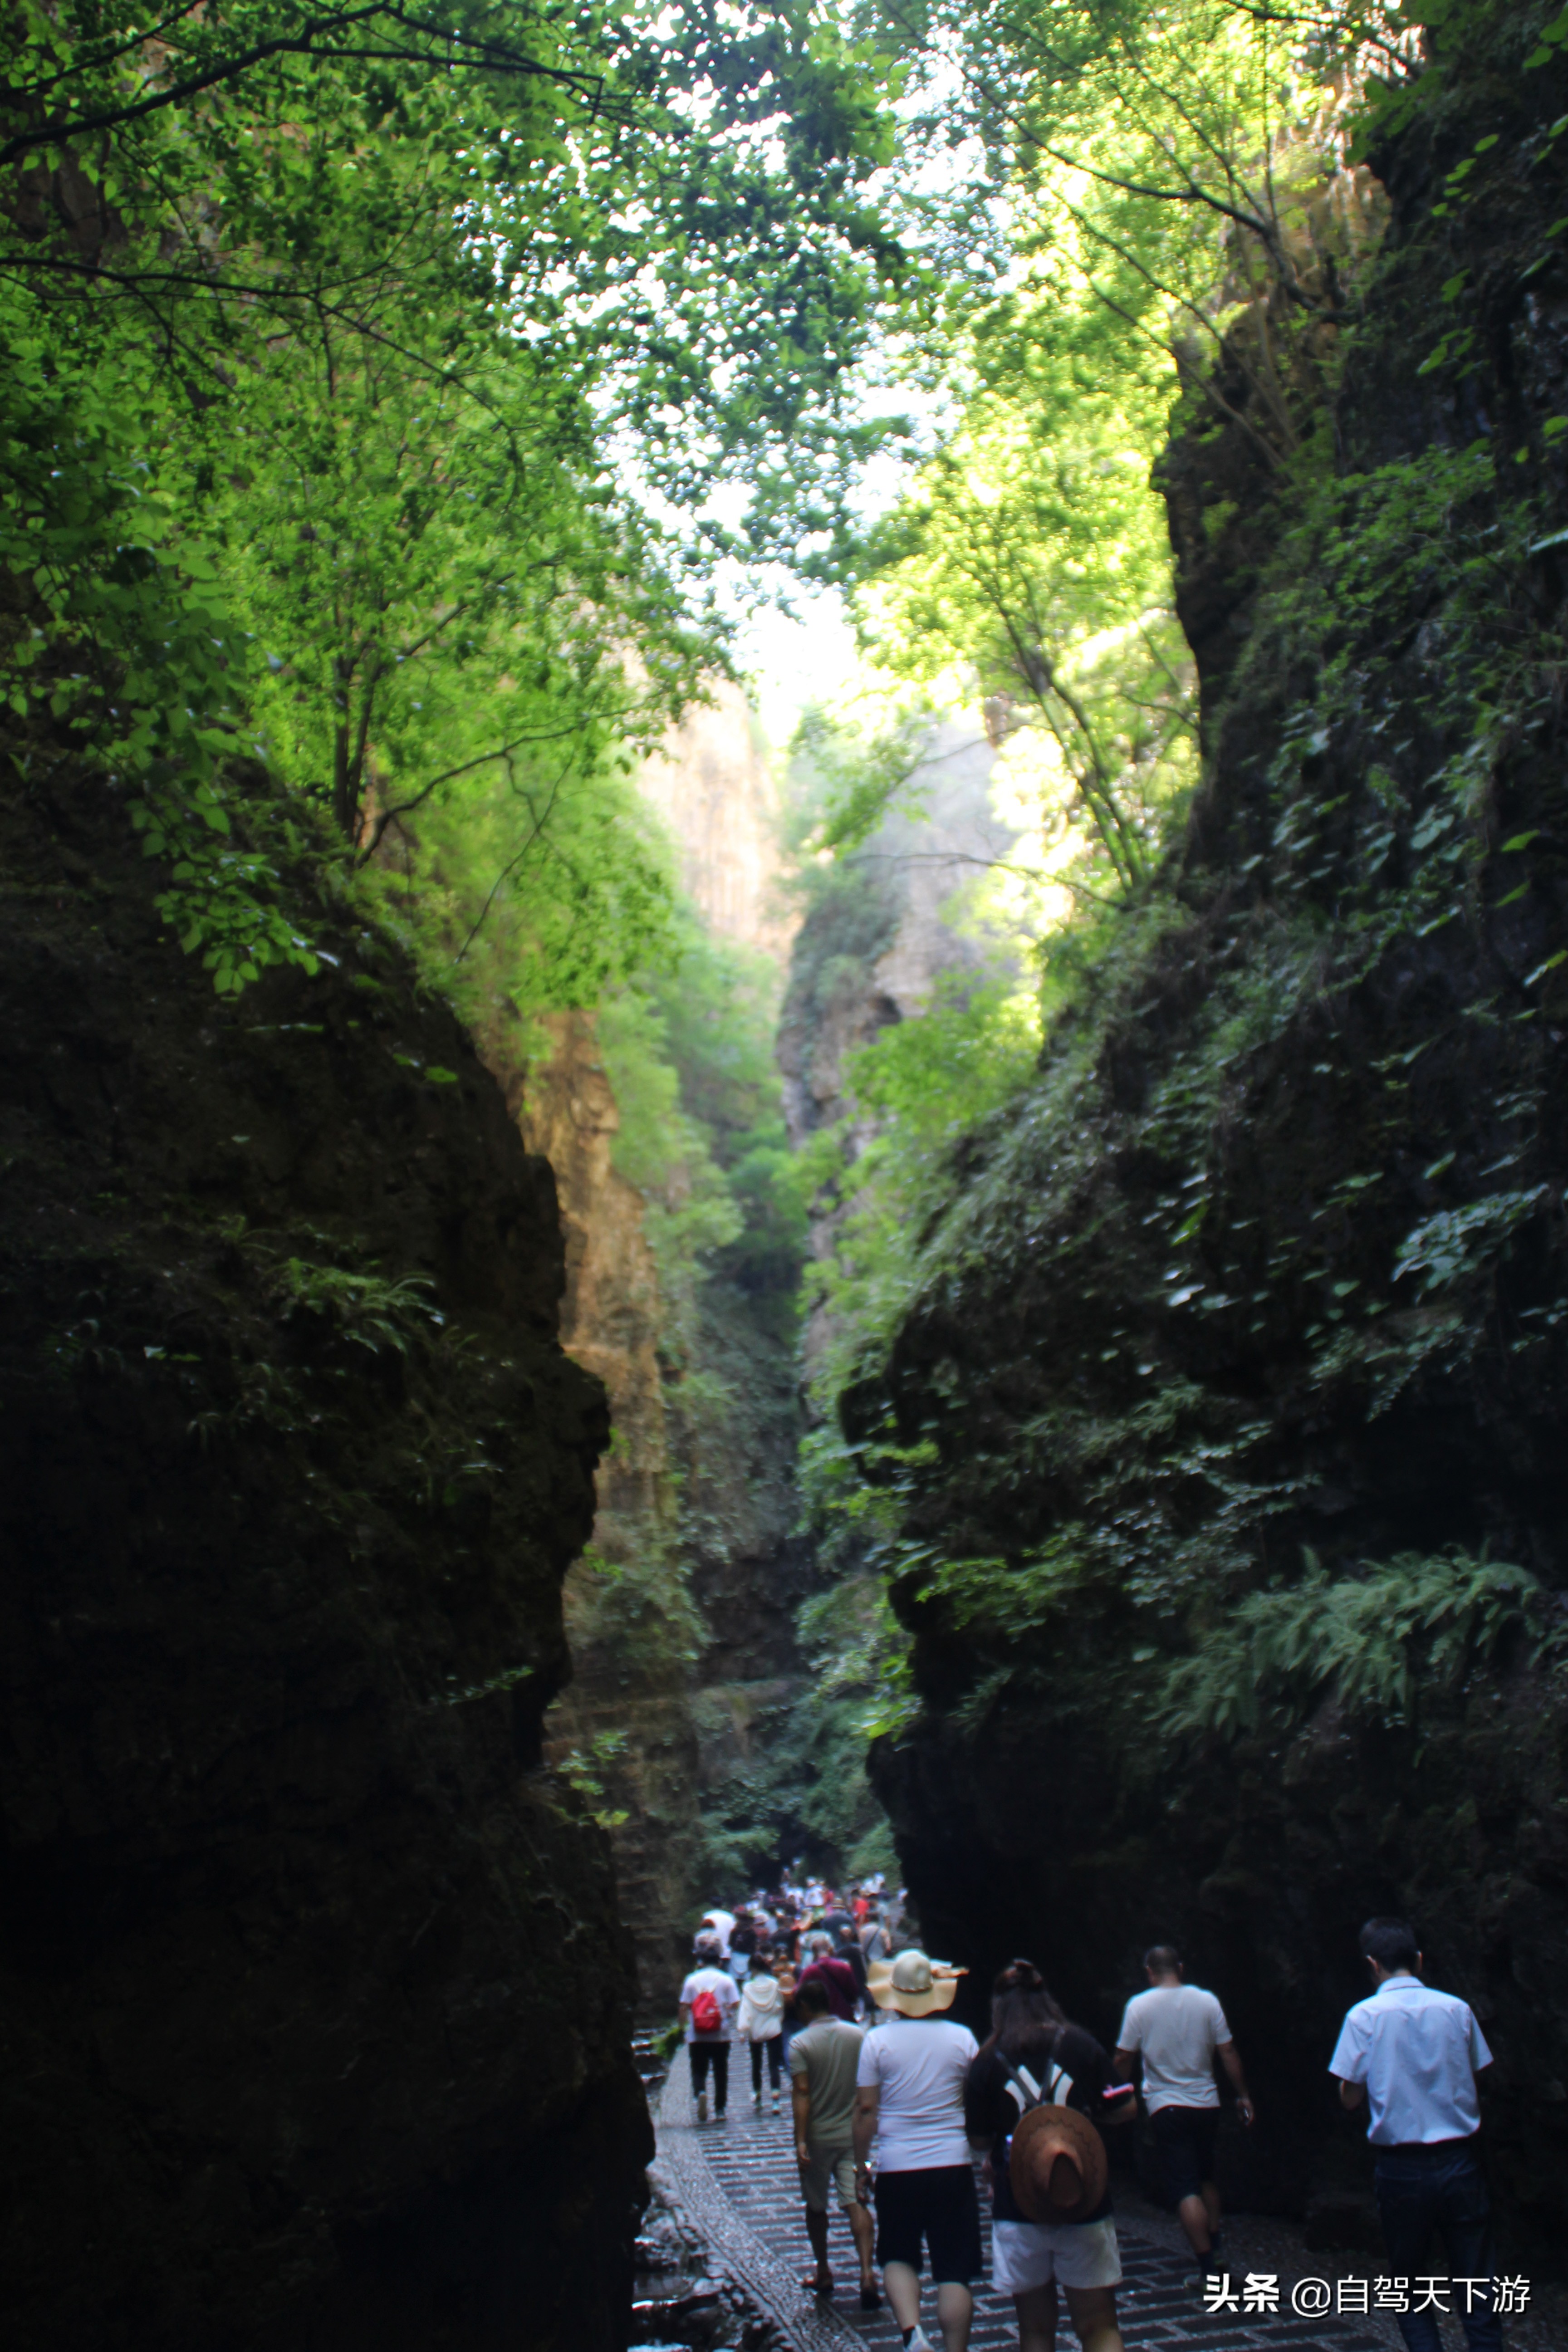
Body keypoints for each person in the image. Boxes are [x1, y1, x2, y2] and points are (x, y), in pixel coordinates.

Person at [1329, 1917, 1501, 2352]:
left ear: (1373, 1965)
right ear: (1419, 1960)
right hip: (1461, 2160)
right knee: (1478, 2281)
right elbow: (1480, 2072)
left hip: (1402, 2167)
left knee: (1408, 2284)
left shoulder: (1363, 2016)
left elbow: (1350, 2098)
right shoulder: (1457, 2009)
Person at [967, 1961, 1136, 2352]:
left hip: (1019, 2203)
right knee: (1099, 2326)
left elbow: (977, 2138)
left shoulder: (988, 2061)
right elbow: (1124, 2105)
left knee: (1036, 2331)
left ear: (998, 2007)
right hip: (1083, 2197)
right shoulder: (1079, 2045)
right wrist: (1088, 2118)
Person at [852, 1949, 980, 2352]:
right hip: (952, 2162)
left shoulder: (877, 2042)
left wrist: (862, 2165)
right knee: (954, 2270)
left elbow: (866, 2110)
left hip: (897, 2164)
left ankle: (913, 2335)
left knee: (897, 2255)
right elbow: (975, 2098)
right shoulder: (962, 2038)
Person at [1112, 1944, 1254, 2284]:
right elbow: (1228, 2051)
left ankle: (1208, 2270)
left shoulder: (1139, 2006)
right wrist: (1244, 2095)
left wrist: (1112, 2092)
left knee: (1185, 2188)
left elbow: (1123, 2058)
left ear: (1149, 1971)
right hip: (1207, 2104)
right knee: (1206, 2178)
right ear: (1181, 1967)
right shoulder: (1207, 2001)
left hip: (1167, 2106)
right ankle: (1217, 2251)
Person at [791, 1977, 879, 2307]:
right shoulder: (858, 2036)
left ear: (803, 2006)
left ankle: (824, 2270)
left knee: (816, 2207)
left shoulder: (800, 2044)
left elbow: (802, 2093)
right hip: (855, 2138)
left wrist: (800, 2140)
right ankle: (867, 2273)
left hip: (818, 2137)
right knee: (857, 2200)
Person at [680, 1933, 740, 2123]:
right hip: (720, 2034)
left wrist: (683, 2029)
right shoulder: (726, 1980)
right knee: (721, 2071)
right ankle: (720, 2109)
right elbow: (736, 2005)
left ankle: (701, 2093)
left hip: (697, 2035)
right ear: (719, 1960)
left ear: (700, 1960)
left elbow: (684, 2007)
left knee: (698, 2069)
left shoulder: (691, 1980)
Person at [739, 1958, 785, 2111]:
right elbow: (780, 2005)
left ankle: (758, 2095)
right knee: (774, 2064)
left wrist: (743, 2030)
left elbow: (745, 2010)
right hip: (773, 2027)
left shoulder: (748, 1988)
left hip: (756, 2029)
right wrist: (779, 2019)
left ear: (752, 1968)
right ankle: (776, 2100)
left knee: (756, 2064)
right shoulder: (774, 1984)